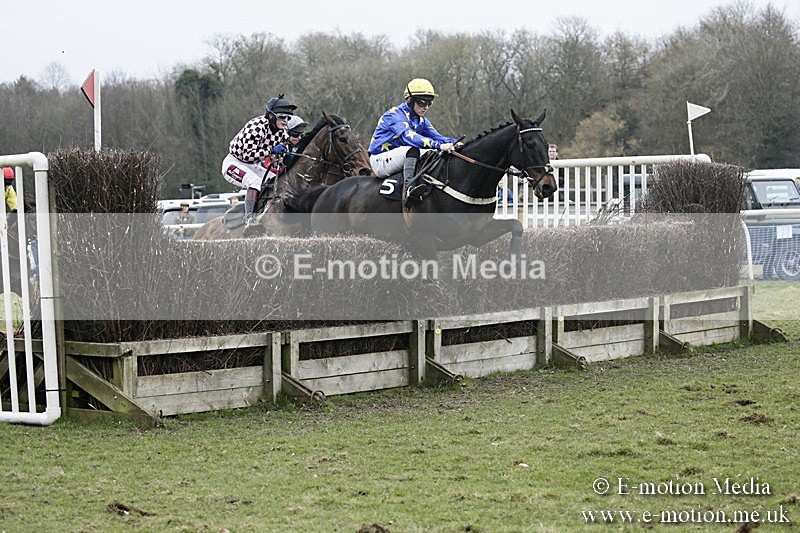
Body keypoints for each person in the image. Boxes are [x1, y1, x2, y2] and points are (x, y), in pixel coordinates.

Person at [368, 78, 462, 207]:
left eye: (430, 103)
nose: (426, 107)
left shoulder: (421, 120)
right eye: (422, 103)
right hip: (380, 160)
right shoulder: (394, 115)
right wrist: (439, 145)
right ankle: (409, 189)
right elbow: (409, 137)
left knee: (433, 152)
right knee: (414, 150)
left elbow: (438, 137)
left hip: (400, 157)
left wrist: (455, 143)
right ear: (410, 100)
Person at [221, 95, 296, 236]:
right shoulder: (256, 127)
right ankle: (249, 219)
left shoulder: (283, 134)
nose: (285, 121)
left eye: (288, 118)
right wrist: (271, 151)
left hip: (253, 164)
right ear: (271, 116)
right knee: (254, 181)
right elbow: (247, 155)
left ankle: (266, 211)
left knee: (277, 180)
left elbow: (276, 159)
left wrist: (286, 157)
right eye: (282, 117)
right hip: (235, 162)